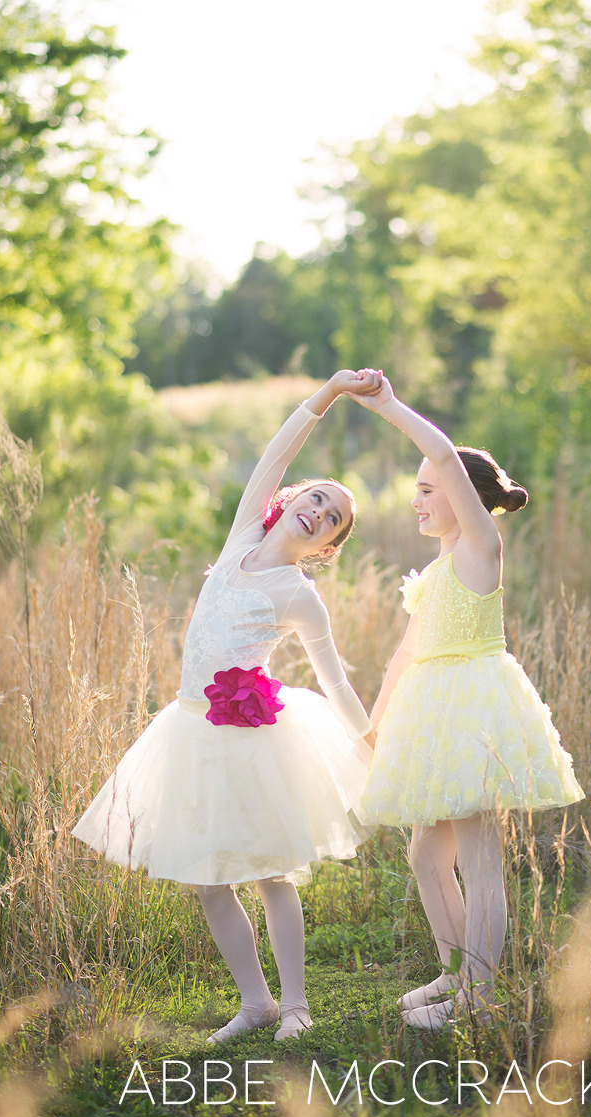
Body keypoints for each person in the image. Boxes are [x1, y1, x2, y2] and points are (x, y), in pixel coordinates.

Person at [73, 371, 380, 1043]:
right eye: (318, 498)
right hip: (189, 729)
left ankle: (296, 1004)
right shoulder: (243, 535)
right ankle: (256, 1003)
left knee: (270, 870)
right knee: (207, 879)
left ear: (327, 549)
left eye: (333, 519)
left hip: (250, 740)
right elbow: (275, 452)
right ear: (291, 496)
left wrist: (371, 740)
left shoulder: (300, 595)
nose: (320, 512)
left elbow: (334, 680)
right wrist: (327, 394)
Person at [348, 370, 585, 1030]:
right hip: (433, 713)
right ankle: (455, 976)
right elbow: (405, 651)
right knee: (426, 854)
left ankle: (481, 1000)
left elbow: (448, 457)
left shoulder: (482, 548)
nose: (418, 501)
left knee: (481, 859)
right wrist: (374, 725)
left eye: (427, 491)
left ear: (462, 498)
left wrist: (391, 408)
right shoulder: (433, 571)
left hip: (477, 708)